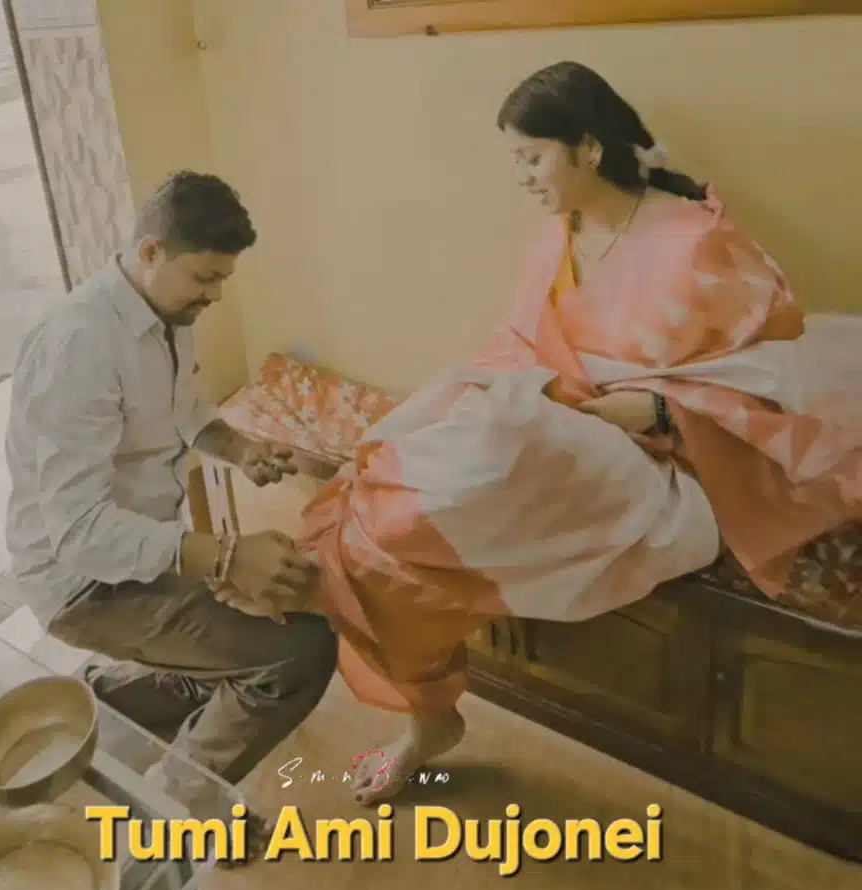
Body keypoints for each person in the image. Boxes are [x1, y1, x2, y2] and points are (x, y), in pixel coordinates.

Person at [215, 61, 860, 805]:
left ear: (588, 148)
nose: (521, 177)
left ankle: (333, 600)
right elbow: (514, 354)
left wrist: (657, 413)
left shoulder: (698, 243)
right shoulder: (557, 240)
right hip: (563, 433)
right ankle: (410, 685)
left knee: (490, 440)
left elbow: (775, 376)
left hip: (671, 464)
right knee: (412, 470)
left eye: (531, 157)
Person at [4, 172, 337, 858]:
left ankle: (107, 703)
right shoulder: (80, 348)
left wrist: (240, 450)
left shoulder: (164, 317)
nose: (216, 296)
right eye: (205, 278)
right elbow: (80, 534)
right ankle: (185, 807)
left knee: (256, 628)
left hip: (144, 548)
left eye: (223, 280)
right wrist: (224, 555)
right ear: (151, 251)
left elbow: (187, 413)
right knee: (297, 654)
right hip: (83, 583)